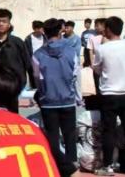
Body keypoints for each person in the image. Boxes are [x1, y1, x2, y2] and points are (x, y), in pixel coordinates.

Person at [33, 17, 79, 175]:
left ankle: (55, 166)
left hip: (48, 100)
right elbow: (75, 75)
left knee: (52, 136)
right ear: (60, 31)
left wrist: (43, 91)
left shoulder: (38, 54)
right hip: (68, 99)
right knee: (70, 135)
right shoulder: (71, 51)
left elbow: (37, 77)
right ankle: (72, 166)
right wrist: (77, 96)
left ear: (44, 33)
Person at [92, 15, 125, 174]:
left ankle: (107, 165)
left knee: (109, 131)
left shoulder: (102, 49)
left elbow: (96, 69)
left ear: (108, 30)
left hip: (109, 94)